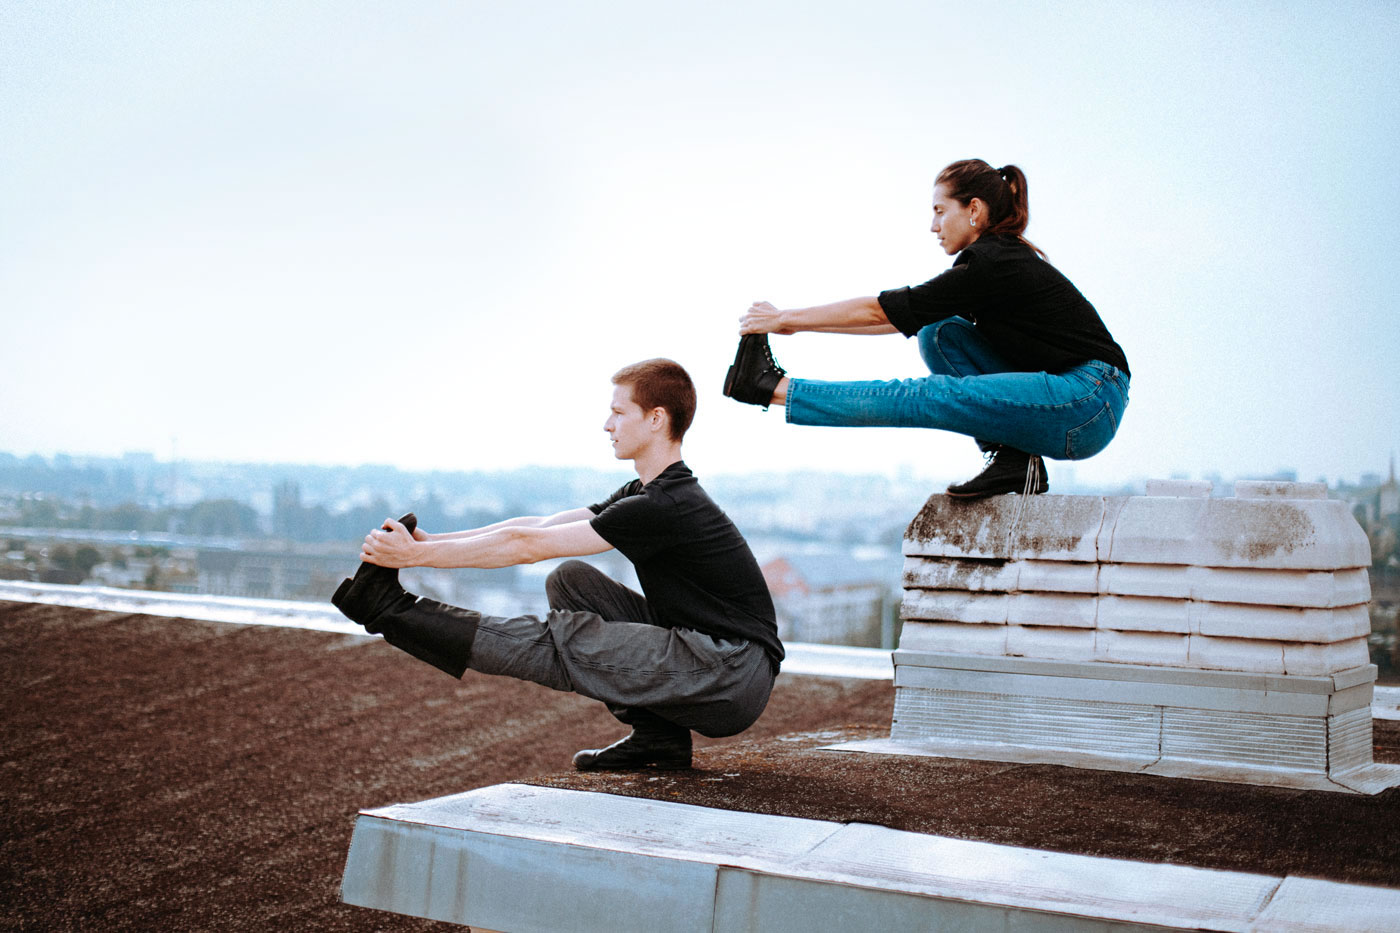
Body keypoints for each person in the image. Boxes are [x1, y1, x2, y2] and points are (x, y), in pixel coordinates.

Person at [331, 359, 782, 771]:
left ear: (656, 419)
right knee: (571, 582)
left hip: (730, 673)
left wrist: (414, 559)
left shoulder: (664, 505)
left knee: (567, 642)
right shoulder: (645, 494)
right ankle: (658, 739)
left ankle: (391, 609)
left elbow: (526, 546)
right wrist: (432, 542)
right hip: (717, 658)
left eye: (618, 412)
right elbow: (541, 526)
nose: (607, 424)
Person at [723, 158, 1130, 498]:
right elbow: (894, 319)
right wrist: (793, 325)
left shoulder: (992, 263)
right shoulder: (992, 261)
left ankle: (774, 388)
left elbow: (878, 312)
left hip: (1089, 400)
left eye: (940, 211)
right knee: (938, 331)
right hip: (1082, 395)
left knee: (931, 396)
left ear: (974, 210)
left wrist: (785, 319)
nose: (933, 226)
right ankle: (1015, 461)